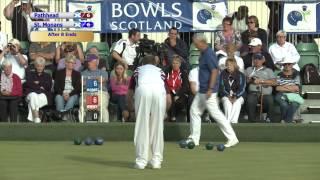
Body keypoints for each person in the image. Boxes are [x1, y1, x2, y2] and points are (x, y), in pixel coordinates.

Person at [186, 33, 239, 147]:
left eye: (196, 43)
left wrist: (210, 88)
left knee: (216, 114)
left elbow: (215, 71)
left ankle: (232, 138)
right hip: (203, 90)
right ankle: (194, 139)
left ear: (202, 42)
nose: (195, 46)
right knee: (194, 111)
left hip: (208, 90)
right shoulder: (203, 53)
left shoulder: (209, 54)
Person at [128, 55, 167, 169]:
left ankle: (141, 161)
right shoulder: (160, 71)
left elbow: (130, 91)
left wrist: (130, 106)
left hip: (143, 90)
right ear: (155, 63)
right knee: (158, 126)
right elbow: (168, 95)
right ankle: (156, 161)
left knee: (142, 125)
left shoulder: (138, 70)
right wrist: (165, 111)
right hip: (159, 92)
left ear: (142, 63)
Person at [245, 53, 276, 123]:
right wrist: (251, 80)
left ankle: (269, 119)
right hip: (253, 92)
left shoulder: (268, 70)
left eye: (259, 59)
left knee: (270, 101)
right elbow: (246, 80)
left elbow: (274, 82)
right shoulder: (249, 69)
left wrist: (262, 81)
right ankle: (251, 120)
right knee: (250, 101)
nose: (257, 61)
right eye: (255, 59)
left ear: (263, 60)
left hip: (266, 93)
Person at [79, 54, 109, 123]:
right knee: (82, 107)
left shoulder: (103, 72)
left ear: (95, 62)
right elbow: (82, 83)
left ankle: (105, 125)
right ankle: (81, 124)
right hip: (87, 92)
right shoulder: (83, 73)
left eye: (90, 61)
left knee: (102, 106)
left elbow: (102, 80)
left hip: (100, 92)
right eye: (88, 61)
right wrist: (96, 79)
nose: (88, 63)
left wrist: (88, 80)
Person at [24, 57, 52, 123]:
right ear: (35, 66)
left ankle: (34, 119)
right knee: (33, 95)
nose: (39, 68)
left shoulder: (48, 76)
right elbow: (27, 84)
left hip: (43, 96)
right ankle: (36, 117)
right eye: (38, 66)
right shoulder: (30, 74)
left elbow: (48, 87)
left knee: (33, 100)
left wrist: (38, 83)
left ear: (44, 66)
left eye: (41, 66)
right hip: (31, 95)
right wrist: (40, 86)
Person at [219, 58, 246, 124]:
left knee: (237, 103)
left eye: (230, 65)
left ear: (234, 65)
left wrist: (236, 96)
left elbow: (242, 88)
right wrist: (228, 96)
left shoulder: (241, 75)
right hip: (226, 95)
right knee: (227, 102)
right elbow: (221, 87)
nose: (228, 67)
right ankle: (227, 122)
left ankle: (234, 122)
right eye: (227, 65)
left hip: (239, 95)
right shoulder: (222, 74)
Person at [275, 57, 301, 123]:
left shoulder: (296, 74)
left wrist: (283, 86)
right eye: (285, 64)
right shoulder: (279, 74)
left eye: (289, 64)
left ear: (292, 65)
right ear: (283, 65)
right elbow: (277, 88)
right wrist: (290, 87)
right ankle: (288, 120)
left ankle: (285, 120)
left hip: (294, 94)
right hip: (281, 94)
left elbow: (296, 88)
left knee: (294, 104)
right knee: (284, 104)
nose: (287, 66)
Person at [165, 55, 189, 122]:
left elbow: (185, 86)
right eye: (173, 63)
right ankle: (172, 117)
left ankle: (172, 117)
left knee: (177, 101)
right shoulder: (167, 72)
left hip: (180, 92)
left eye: (177, 63)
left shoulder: (183, 73)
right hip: (169, 92)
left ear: (180, 64)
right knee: (171, 98)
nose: (175, 65)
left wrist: (178, 94)